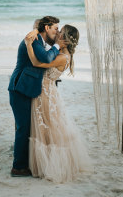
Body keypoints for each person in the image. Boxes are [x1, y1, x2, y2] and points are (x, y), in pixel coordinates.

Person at [24, 24, 92, 183]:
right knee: (47, 126)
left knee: (47, 127)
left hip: (45, 93)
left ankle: (49, 165)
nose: (58, 32)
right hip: (46, 91)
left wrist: (28, 44)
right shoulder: (60, 53)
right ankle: (45, 162)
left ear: (65, 38)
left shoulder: (62, 57)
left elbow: (36, 63)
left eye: (60, 32)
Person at [8, 16, 65, 177]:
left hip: (27, 88)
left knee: (27, 128)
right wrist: (57, 46)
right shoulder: (33, 40)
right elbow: (45, 58)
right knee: (23, 128)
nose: (57, 31)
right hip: (20, 88)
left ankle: (24, 162)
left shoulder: (38, 41)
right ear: (46, 28)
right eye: (55, 28)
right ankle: (18, 167)